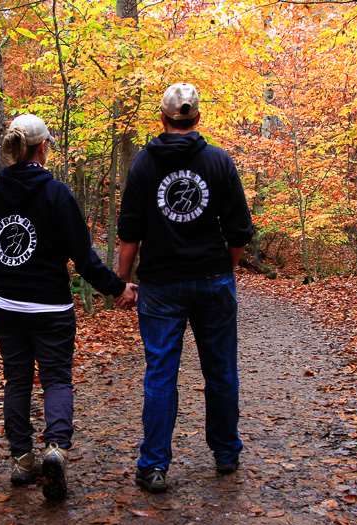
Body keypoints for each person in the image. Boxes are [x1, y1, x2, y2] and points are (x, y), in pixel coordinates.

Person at [0, 114, 137, 501]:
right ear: (41, 148)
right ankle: (55, 450)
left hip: (5, 306)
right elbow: (83, 258)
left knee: (16, 379)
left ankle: (21, 460)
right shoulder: (57, 195)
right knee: (55, 379)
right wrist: (117, 288)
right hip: (49, 306)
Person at [117, 83, 254, 494]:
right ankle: (226, 453)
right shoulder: (219, 161)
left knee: (161, 373)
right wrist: (223, 270)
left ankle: (154, 465)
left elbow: (130, 232)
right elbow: (239, 231)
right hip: (213, 280)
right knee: (221, 369)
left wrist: (123, 281)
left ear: (163, 118)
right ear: (197, 118)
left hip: (160, 286)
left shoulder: (144, 164)